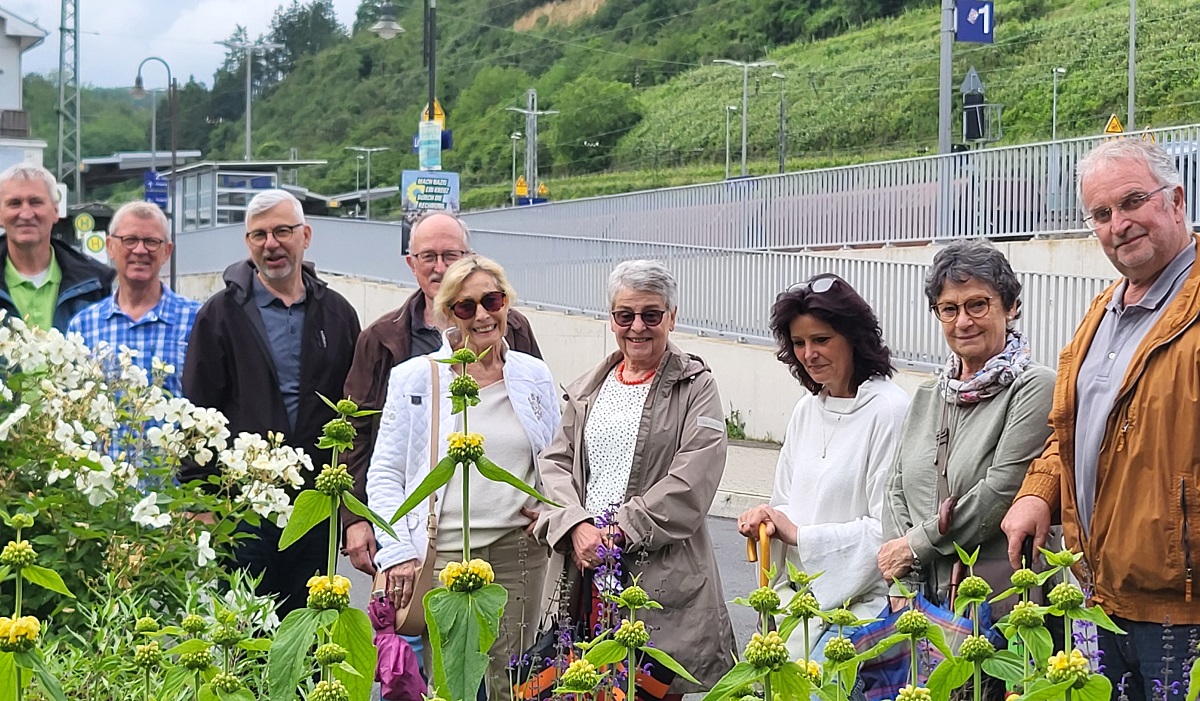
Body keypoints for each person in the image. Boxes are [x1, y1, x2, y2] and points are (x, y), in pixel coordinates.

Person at [1002, 139, 1200, 701]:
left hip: (1182, 604)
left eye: (1134, 201)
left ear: (1177, 200)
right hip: (1098, 592)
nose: (1120, 223)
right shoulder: (1105, 308)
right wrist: (1039, 493)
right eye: (1102, 213)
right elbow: (1074, 427)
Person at [535, 259, 735, 700]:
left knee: (648, 690)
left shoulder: (695, 385)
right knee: (579, 689)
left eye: (651, 314)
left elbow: (693, 477)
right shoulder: (589, 387)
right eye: (625, 315)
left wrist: (620, 531)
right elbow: (554, 463)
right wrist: (576, 526)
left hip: (657, 581)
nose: (637, 327)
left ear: (672, 316)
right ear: (611, 320)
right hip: (583, 573)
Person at [368, 255, 558, 701]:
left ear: (507, 302)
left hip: (519, 552)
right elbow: (385, 475)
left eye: (492, 300)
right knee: (453, 683)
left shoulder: (533, 375)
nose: (482, 315)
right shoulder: (416, 378)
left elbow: (558, 457)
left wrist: (550, 512)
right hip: (443, 553)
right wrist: (395, 552)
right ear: (447, 314)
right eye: (465, 306)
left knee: (513, 681)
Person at [180, 189, 360, 616]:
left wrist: (353, 509)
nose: (271, 244)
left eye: (282, 231)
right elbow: (197, 410)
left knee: (309, 626)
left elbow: (356, 413)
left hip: (314, 504)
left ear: (306, 236)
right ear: (248, 243)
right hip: (241, 506)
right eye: (259, 235)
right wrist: (199, 500)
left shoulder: (337, 314)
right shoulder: (220, 314)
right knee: (243, 629)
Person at [342, 210, 541, 577]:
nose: (439, 267)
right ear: (411, 263)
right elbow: (356, 434)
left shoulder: (512, 328)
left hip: (514, 541)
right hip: (424, 536)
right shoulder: (383, 338)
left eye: (450, 255)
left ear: (468, 258)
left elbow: (541, 426)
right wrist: (356, 518)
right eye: (428, 257)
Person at [737, 274, 910, 658]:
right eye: (798, 343)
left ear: (853, 337)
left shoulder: (889, 410)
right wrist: (764, 519)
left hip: (859, 611)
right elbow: (784, 501)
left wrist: (798, 535)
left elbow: (890, 529)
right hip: (795, 605)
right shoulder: (806, 410)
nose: (808, 354)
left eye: (821, 340)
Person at [878, 240, 1055, 611]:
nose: (963, 321)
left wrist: (913, 548)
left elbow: (999, 491)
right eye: (949, 309)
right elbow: (895, 488)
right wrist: (903, 584)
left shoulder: (1034, 386)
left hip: (995, 600)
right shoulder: (929, 394)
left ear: (1010, 307)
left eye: (977, 304)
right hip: (919, 601)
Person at [68, 201, 200, 397]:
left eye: (151, 241)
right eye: (130, 240)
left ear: (167, 251)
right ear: (110, 246)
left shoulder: (197, 320)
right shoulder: (83, 326)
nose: (140, 250)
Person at [0, 163, 112, 331]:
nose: (26, 214)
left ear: (55, 211)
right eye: (14, 203)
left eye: (36, 202)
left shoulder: (95, 283)